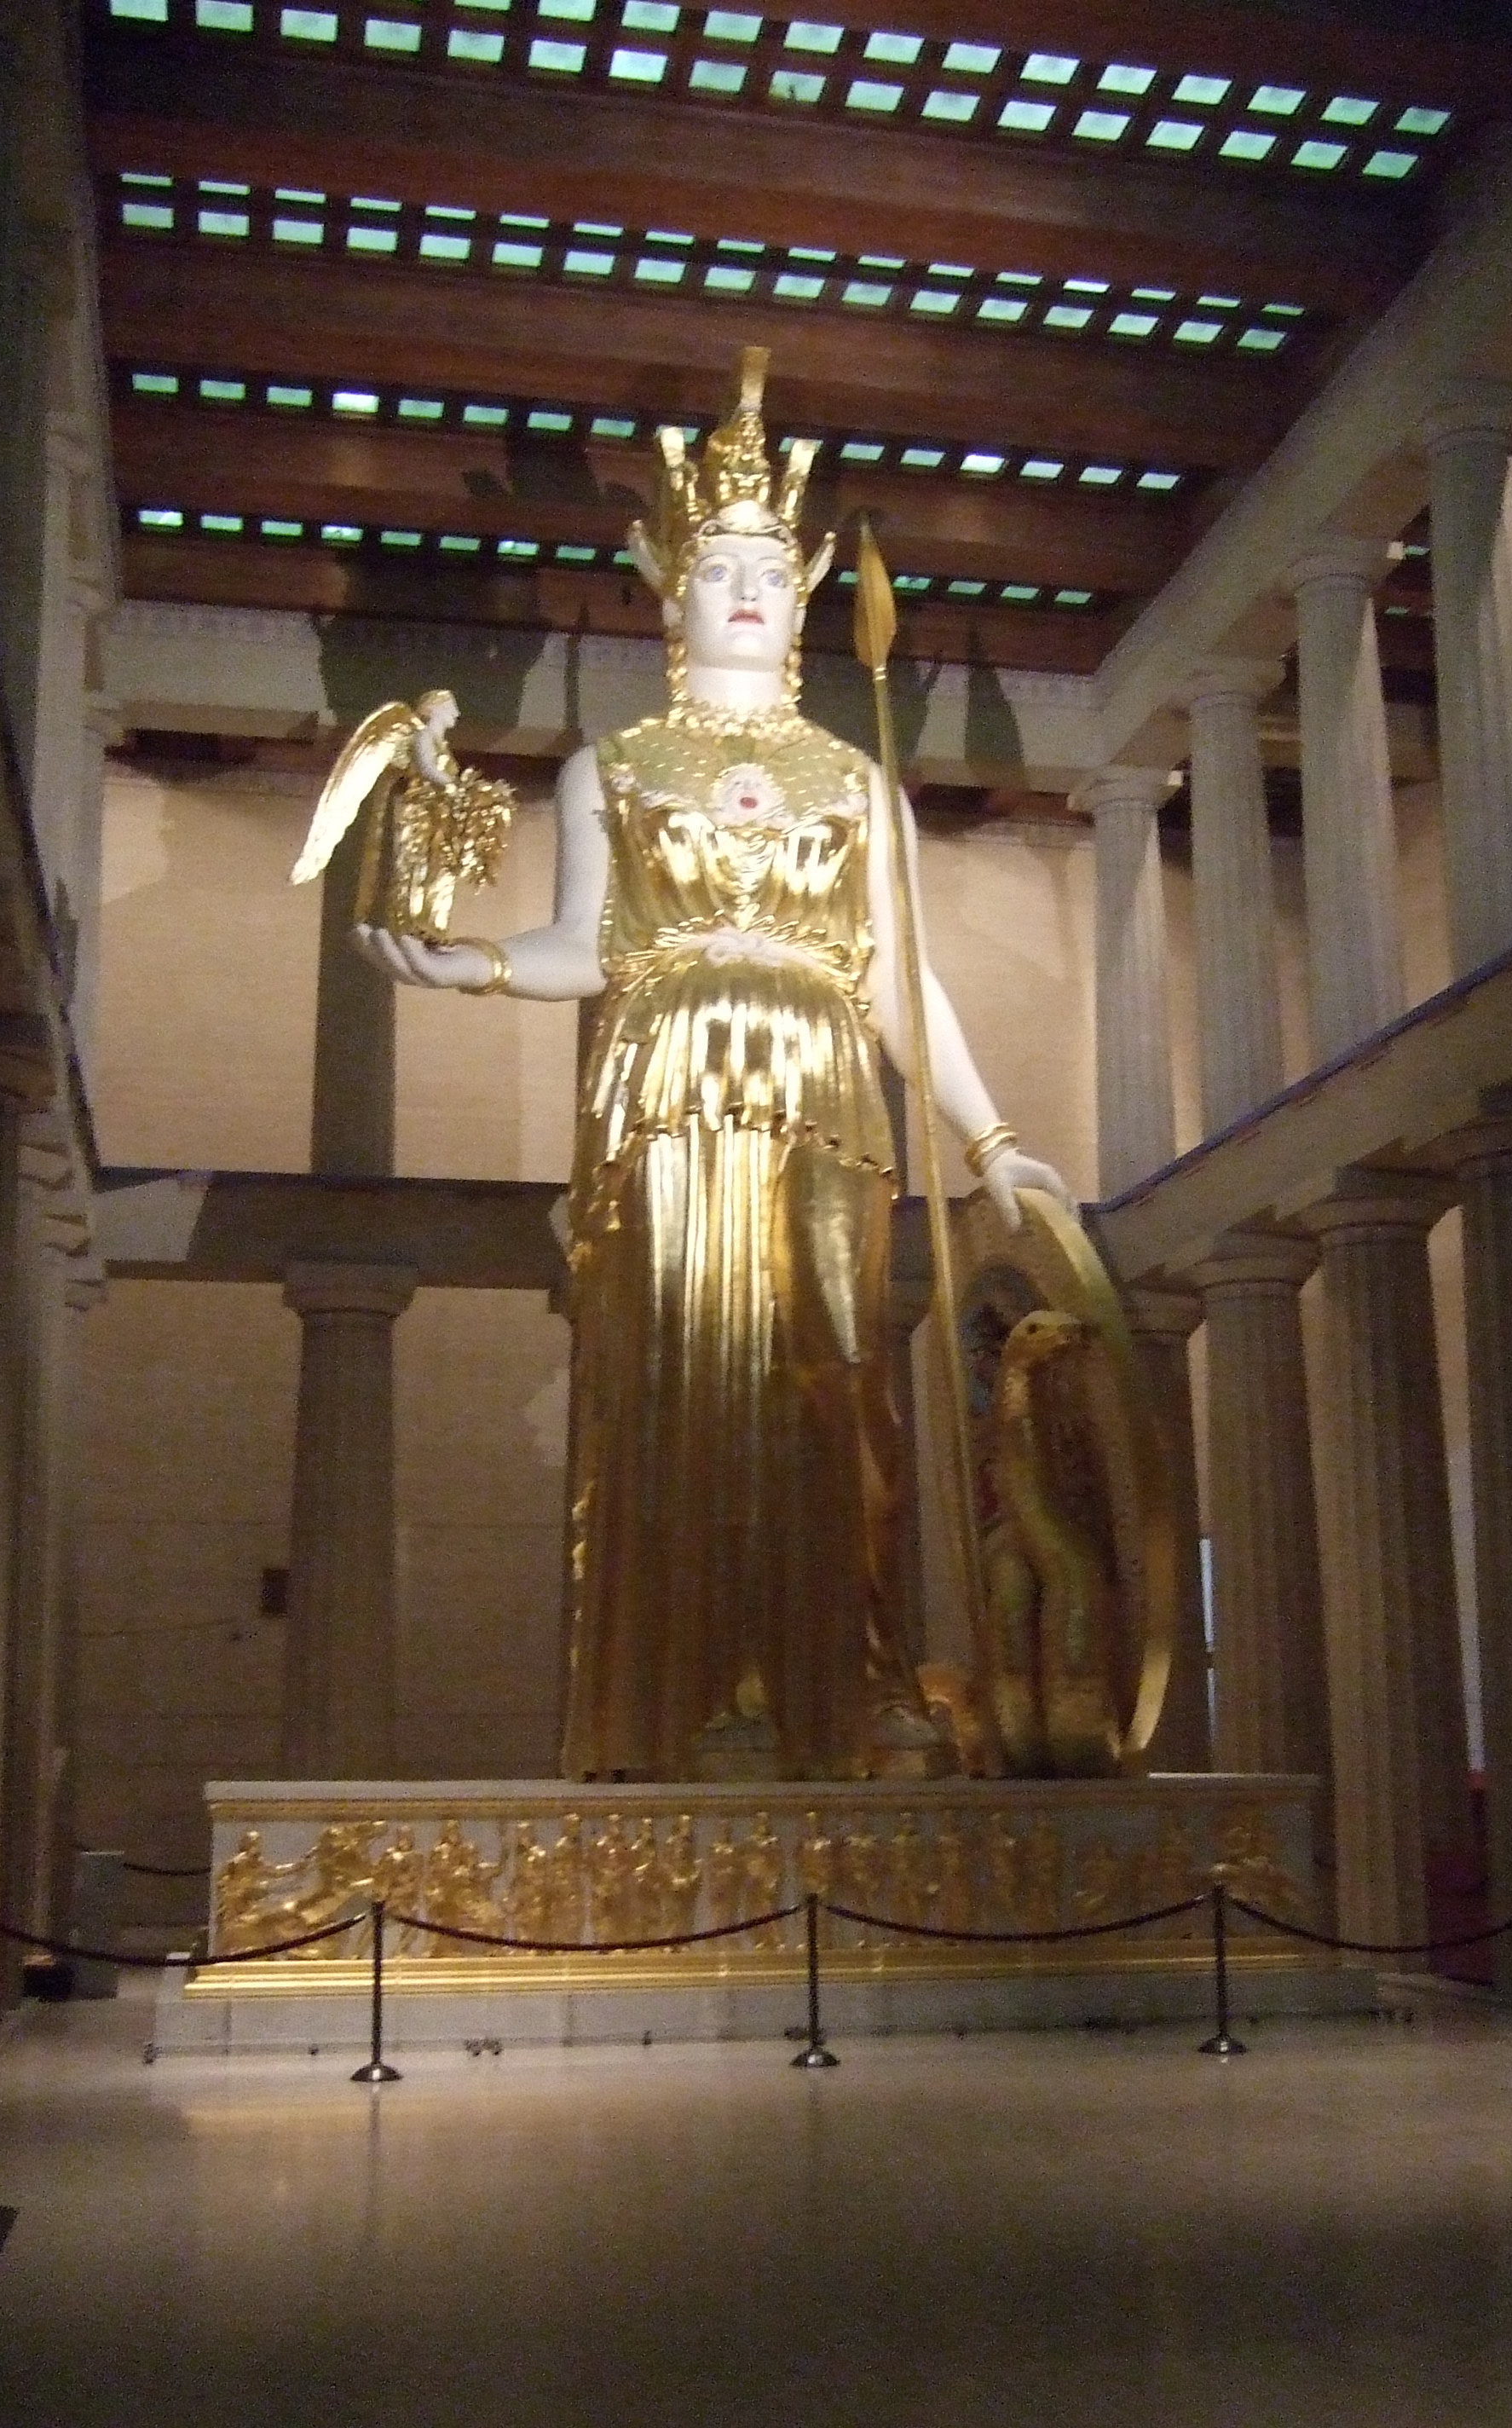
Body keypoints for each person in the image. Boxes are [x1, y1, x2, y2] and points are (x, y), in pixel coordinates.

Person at [359, 351, 1071, 1783]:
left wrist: (992, 1141)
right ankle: (673, 1708)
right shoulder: (612, 767)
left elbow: (898, 976)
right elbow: (587, 946)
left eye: (768, 569)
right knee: (672, 1383)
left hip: (821, 1095)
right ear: (670, 593)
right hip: (665, 1094)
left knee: (835, 1375)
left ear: (801, 598)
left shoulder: (856, 781)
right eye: (718, 567)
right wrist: (470, 963)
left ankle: (854, 1690)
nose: (745, 587)